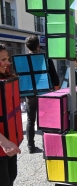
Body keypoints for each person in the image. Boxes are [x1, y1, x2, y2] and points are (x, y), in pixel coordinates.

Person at [24, 36, 60, 154]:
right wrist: (56, 92)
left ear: (27, 47)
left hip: (29, 94)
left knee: (30, 120)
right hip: (44, 93)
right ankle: (47, 146)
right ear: (38, 46)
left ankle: (30, 147)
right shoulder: (45, 59)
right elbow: (55, 78)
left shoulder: (23, 59)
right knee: (45, 120)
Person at [0, 44, 22, 186]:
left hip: (8, 147)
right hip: (3, 145)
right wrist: (3, 142)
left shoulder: (6, 79)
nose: (8, 63)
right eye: (3, 59)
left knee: (11, 176)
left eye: (7, 58)